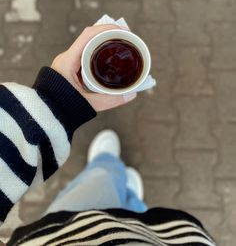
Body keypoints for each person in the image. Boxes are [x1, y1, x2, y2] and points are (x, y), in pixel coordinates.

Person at [0, 24, 216, 246]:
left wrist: (55, 101)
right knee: (118, 195)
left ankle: (110, 170)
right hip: (161, 236)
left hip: (64, 230)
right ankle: (126, 190)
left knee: (98, 181)